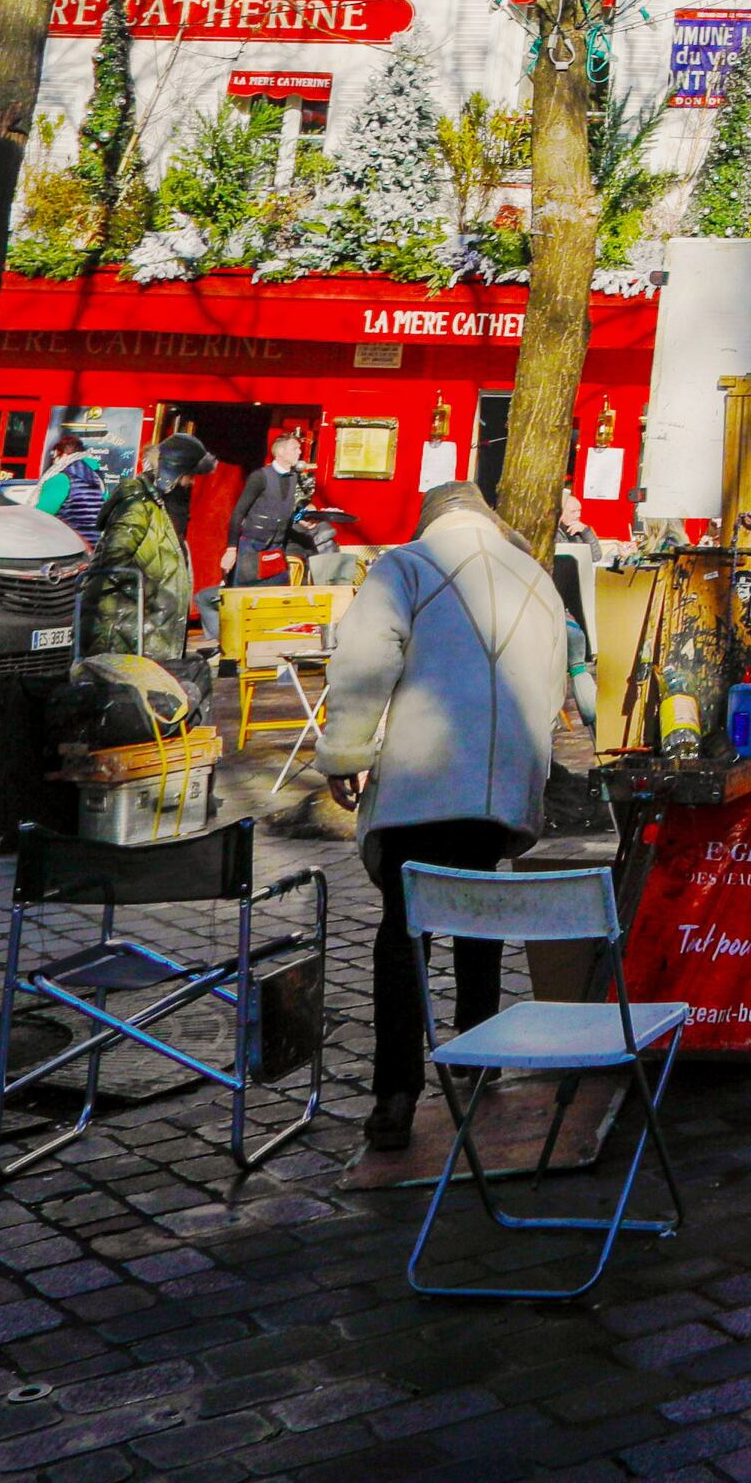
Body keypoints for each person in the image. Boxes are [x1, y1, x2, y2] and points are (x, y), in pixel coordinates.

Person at [318, 479, 591, 1153]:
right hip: (501, 787)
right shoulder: (537, 579)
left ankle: (396, 1093)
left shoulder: (406, 565)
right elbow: (562, 672)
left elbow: (363, 659)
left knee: (402, 935)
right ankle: (475, 1049)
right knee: (480, 910)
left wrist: (346, 749)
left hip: (425, 778)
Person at [79, 429, 206, 670]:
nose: (193, 481)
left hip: (152, 620)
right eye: (191, 474)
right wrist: (138, 598)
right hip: (133, 621)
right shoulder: (139, 503)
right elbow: (112, 558)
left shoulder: (167, 499)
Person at [225, 426, 320, 589]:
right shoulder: (260, 477)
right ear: (281, 452)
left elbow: (288, 512)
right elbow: (239, 512)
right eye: (295, 448)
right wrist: (231, 549)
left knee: (275, 598)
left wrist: (301, 520)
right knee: (245, 599)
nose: (299, 452)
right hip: (252, 547)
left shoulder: (293, 478)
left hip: (276, 549)